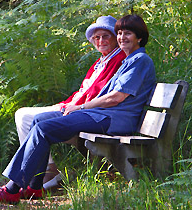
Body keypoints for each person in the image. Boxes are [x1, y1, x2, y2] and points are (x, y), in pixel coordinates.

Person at [0, 14, 156, 204]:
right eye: (119, 33)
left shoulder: (140, 61)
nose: (121, 37)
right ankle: (35, 187)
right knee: (39, 121)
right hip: (101, 115)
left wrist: (80, 107)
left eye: (127, 33)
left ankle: (12, 189)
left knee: (43, 129)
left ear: (139, 37)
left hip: (113, 119)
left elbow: (115, 98)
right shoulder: (129, 60)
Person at [14, 15, 126, 189]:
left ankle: (45, 173)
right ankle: (40, 174)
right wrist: (66, 104)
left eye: (106, 36)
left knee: (26, 117)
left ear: (115, 38)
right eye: (97, 37)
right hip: (77, 108)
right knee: (23, 115)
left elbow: (101, 95)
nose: (101, 40)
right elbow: (85, 91)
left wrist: (74, 107)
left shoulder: (118, 60)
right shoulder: (100, 62)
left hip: (90, 114)